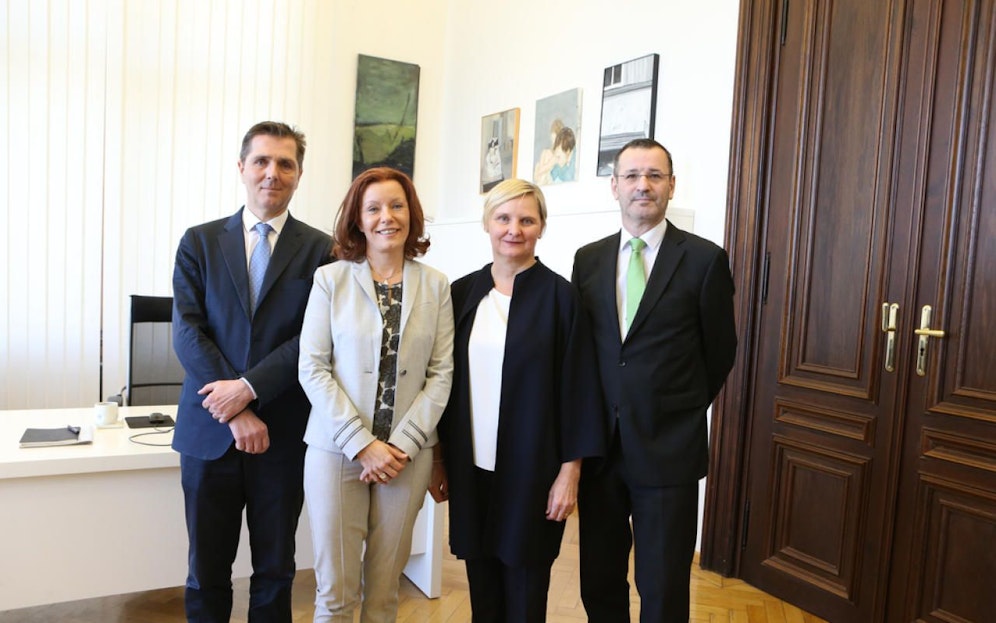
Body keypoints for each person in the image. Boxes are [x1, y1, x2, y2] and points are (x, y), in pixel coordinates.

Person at [172, 121, 333, 622]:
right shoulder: (199, 242)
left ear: (299, 174)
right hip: (209, 432)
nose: (272, 173)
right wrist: (235, 409)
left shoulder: (323, 251)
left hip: (282, 434)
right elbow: (187, 332)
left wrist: (246, 389)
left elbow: (312, 340)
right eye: (261, 161)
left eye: (285, 163)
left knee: (275, 572)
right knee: (206, 572)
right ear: (241, 167)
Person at [572, 138, 737, 623]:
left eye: (654, 176)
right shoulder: (588, 259)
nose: (643, 185)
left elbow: (720, 352)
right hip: (600, 448)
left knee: (663, 586)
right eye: (632, 176)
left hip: (668, 450)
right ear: (614, 186)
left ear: (670, 185)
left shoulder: (705, 260)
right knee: (598, 579)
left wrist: (676, 408)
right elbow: (586, 350)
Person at [434, 179, 605, 622]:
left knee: (526, 595)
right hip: (472, 470)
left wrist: (570, 473)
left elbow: (580, 390)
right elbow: (442, 382)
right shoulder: (461, 293)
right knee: (482, 592)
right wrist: (437, 461)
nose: (515, 229)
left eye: (527, 219)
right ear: (488, 224)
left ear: (542, 227)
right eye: (504, 218)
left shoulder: (562, 297)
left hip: (534, 473)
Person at [298, 167, 454, 622]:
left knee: (385, 594)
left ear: (412, 214)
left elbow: (441, 374)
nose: (387, 216)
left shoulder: (436, 285)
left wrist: (400, 446)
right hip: (336, 452)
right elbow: (312, 367)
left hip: (406, 458)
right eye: (374, 208)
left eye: (397, 205)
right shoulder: (331, 280)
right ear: (358, 220)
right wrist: (362, 445)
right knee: (336, 594)